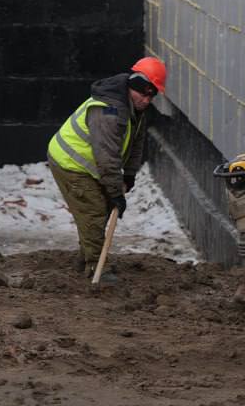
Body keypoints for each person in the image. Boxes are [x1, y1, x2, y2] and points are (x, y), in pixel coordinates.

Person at [47, 56, 168, 284]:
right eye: (145, 93)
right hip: (69, 163)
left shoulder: (135, 108)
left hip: (91, 166)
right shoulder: (108, 112)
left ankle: (86, 258)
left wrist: (130, 175)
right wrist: (115, 193)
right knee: (93, 210)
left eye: (152, 95)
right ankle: (95, 268)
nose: (147, 100)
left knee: (97, 209)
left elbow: (136, 143)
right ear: (135, 86)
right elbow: (107, 159)